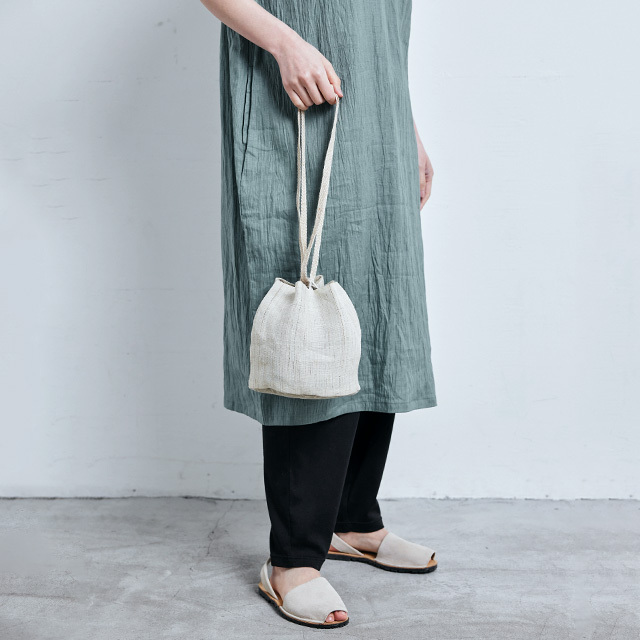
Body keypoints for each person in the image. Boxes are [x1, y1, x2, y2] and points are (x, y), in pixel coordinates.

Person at [200, 0, 438, 629]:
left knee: (376, 313)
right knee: (308, 322)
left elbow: (380, 34)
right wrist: (285, 44)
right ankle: (292, 559)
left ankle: (353, 520)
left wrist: (406, 128)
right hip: (293, 114)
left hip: (377, 123)